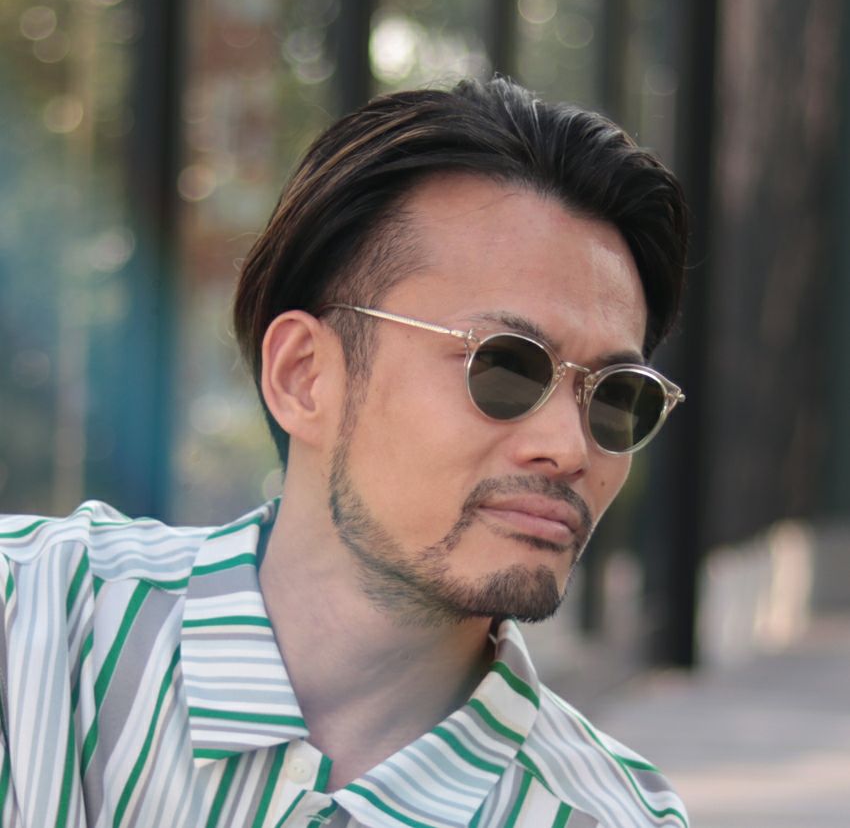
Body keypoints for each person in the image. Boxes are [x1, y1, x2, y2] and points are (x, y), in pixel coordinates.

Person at [0, 78, 689, 827]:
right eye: (506, 367)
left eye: (617, 395)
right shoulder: (29, 625)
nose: (568, 448)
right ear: (304, 375)